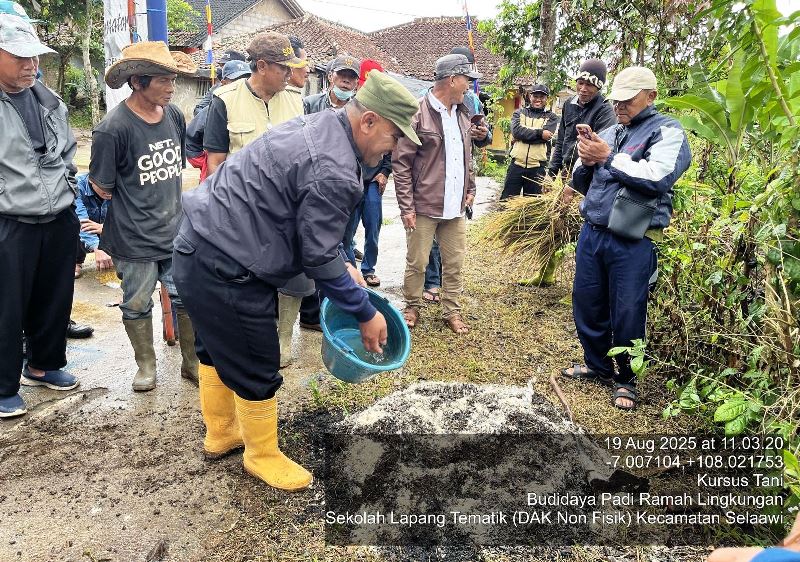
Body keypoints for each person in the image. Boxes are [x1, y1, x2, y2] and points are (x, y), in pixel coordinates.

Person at [172, 71, 420, 490]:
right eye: (394, 137)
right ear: (369, 121)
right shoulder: (336, 168)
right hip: (228, 265)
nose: (394, 149)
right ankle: (261, 454)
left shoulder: (321, 123)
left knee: (215, 346)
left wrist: (345, 261)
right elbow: (317, 254)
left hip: (196, 247)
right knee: (257, 357)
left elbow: (312, 223)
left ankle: (221, 432)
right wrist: (362, 311)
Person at [563, 66, 691, 410]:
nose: (619, 105)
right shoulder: (613, 130)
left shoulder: (667, 130)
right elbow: (585, 176)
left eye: (628, 99)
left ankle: (626, 379)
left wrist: (606, 156)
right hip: (594, 232)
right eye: (616, 98)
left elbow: (657, 176)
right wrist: (587, 153)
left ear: (650, 96)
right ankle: (597, 365)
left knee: (628, 311)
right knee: (587, 302)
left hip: (633, 240)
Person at [90, 41, 199, 391]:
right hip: (133, 237)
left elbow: (173, 171)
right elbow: (101, 186)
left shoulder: (174, 116)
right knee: (136, 302)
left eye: (173, 80)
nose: (171, 88)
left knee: (185, 296)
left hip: (174, 230)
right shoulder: (113, 128)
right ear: (137, 82)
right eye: (163, 81)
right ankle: (146, 367)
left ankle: (191, 363)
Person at [0, 12, 80, 417]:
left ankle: (44, 365)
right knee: (6, 306)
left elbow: (67, 154)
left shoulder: (49, 101)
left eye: (35, 58)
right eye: (20, 58)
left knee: (54, 298)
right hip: (10, 219)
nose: (31, 65)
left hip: (57, 215)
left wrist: (66, 187)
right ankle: (2, 386)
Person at [394, 53, 483, 335]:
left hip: (454, 206)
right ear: (452, 79)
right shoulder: (417, 113)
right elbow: (402, 163)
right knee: (417, 262)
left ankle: (452, 311)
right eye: (466, 80)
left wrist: (470, 189)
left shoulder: (463, 114)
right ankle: (412, 306)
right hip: (423, 206)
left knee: (455, 263)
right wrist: (406, 207)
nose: (469, 86)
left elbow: (465, 156)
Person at [522, 59, 619, 288]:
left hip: (589, 180)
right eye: (581, 82)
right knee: (556, 222)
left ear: (599, 87)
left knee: (581, 228)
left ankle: (584, 283)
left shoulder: (605, 111)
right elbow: (562, 142)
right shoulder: (570, 105)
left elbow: (599, 153)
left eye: (590, 85)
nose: (584, 89)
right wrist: (551, 173)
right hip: (567, 174)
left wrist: (575, 184)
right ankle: (546, 272)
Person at [297, 53, 363, 332]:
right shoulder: (309, 105)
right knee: (313, 245)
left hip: (345, 186)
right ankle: (310, 312)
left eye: (351, 78)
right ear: (330, 77)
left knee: (341, 243)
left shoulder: (360, 110)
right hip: (312, 184)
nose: (346, 82)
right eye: (342, 76)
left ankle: (331, 306)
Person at [422, 45, 492, 304]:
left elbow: (484, 135)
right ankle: (431, 281)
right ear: (453, 76)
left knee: (451, 233)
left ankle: (445, 285)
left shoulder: (471, 101)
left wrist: (482, 135)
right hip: (434, 177)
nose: (469, 81)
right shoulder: (426, 99)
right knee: (430, 234)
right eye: (466, 74)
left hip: (460, 173)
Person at [203, 32, 304, 176]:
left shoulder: (296, 100)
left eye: (291, 67)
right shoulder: (225, 99)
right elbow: (215, 162)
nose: (290, 73)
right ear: (262, 66)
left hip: (286, 195)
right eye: (284, 67)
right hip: (241, 195)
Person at [341, 59, 391, 288]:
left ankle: (368, 269)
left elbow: (391, 146)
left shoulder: (386, 112)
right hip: (352, 180)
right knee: (347, 229)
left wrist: (385, 172)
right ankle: (350, 269)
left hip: (372, 181)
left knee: (373, 226)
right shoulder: (351, 110)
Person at [186, 60, 250, 182]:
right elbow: (192, 138)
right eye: (235, 81)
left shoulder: (248, 104)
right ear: (224, 83)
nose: (240, 85)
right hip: (203, 154)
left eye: (245, 79)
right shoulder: (217, 106)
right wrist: (206, 160)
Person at [500, 84, 558, 199]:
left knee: (532, 207)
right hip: (516, 165)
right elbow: (516, 132)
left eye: (542, 97)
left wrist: (523, 135)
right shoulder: (519, 113)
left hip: (537, 168)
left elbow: (545, 136)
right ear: (530, 97)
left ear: (547, 99)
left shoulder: (551, 117)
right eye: (535, 96)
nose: (538, 99)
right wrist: (540, 133)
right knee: (507, 203)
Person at [193, 50, 246, 116]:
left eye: (226, 66)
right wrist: (214, 115)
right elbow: (198, 109)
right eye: (221, 66)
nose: (222, 69)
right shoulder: (216, 89)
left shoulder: (249, 89)